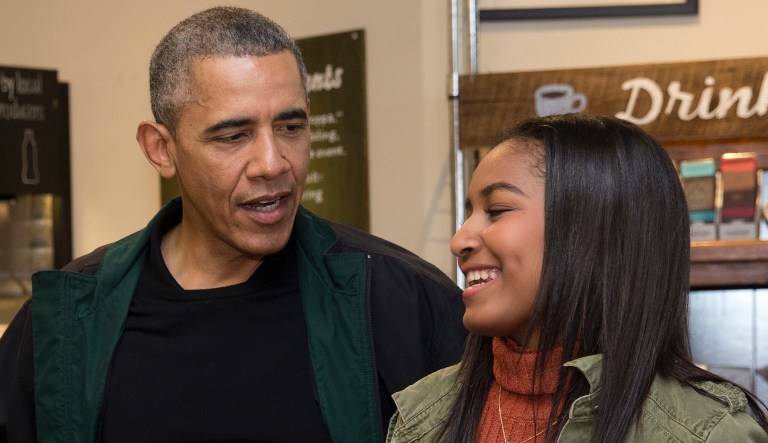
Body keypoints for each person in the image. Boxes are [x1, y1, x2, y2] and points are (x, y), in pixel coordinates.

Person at [0, 7, 467, 442]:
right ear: (161, 149)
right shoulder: (61, 326)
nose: (272, 163)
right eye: (233, 135)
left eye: (290, 127)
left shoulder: (405, 304)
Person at [386, 114, 768, 442]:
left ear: (594, 231)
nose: (460, 240)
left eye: (497, 210)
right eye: (469, 211)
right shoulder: (421, 417)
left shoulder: (702, 432)